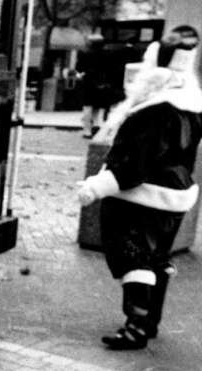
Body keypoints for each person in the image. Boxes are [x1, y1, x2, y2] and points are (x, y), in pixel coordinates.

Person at [78, 25, 202, 350]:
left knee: (133, 258)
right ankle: (149, 322)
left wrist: (96, 187)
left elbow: (133, 164)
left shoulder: (153, 111)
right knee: (158, 260)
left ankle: (135, 324)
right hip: (175, 198)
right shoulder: (189, 108)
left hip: (139, 199)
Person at [78, 34, 125, 137]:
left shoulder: (84, 53)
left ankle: (87, 130)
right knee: (98, 106)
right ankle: (96, 125)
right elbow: (112, 69)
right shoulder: (108, 54)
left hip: (88, 81)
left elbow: (80, 68)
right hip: (102, 81)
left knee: (87, 106)